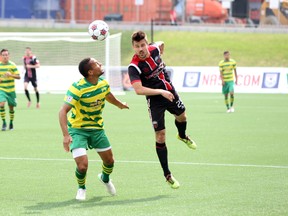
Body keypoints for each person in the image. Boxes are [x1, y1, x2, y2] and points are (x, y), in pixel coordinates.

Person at [128, 31, 197, 189]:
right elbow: (138, 90)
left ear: (147, 43)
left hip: (169, 91)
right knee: (160, 136)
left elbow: (161, 43)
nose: (141, 49)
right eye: (137, 46)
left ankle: (182, 136)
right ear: (133, 47)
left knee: (182, 117)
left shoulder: (155, 49)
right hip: (155, 100)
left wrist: (165, 85)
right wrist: (160, 92)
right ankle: (167, 174)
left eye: (143, 45)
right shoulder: (134, 67)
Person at [59, 57, 129, 201]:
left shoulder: (103, 84)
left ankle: (105, 178)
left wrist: (120, 104)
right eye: (97, 64)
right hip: (77, 130)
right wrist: (66, 135)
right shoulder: (77, 88)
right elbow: (62, 111)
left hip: (97, 129)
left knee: (110, 161)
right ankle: (81, 188)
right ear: (90, 72)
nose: (100, 64)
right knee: (83, 166)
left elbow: (108, 95)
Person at [0, 49, 21, 131]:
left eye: (6, 55)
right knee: (1, 104)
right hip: (2, 89)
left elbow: (19, 77)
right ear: (1, 56)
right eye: (3, 55)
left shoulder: (12, 65)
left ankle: (11, 123)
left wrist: (11, 75)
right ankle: (4, 122)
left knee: (11, 108)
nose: (5, 56)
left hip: (11, 90)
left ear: (9, 56)